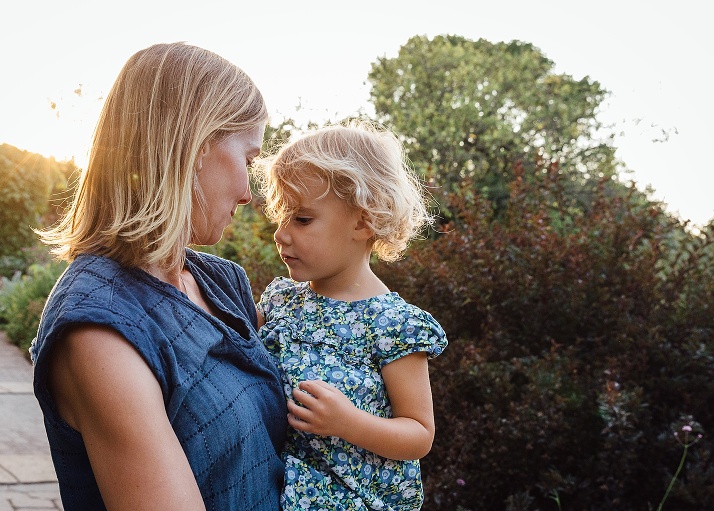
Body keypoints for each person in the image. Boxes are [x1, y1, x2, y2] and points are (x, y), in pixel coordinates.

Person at [30, 42, 288, 511]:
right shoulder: (102, 329)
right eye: (248, 161)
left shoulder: (220, 282)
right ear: (193, 146)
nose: (250, 194)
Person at [254, 121, 448, 511]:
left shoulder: (394, 325)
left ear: (363, 221)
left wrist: (348, 423)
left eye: (302, 219)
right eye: (282, 217)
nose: (281, 234)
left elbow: (419, 433)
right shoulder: (279, 302)